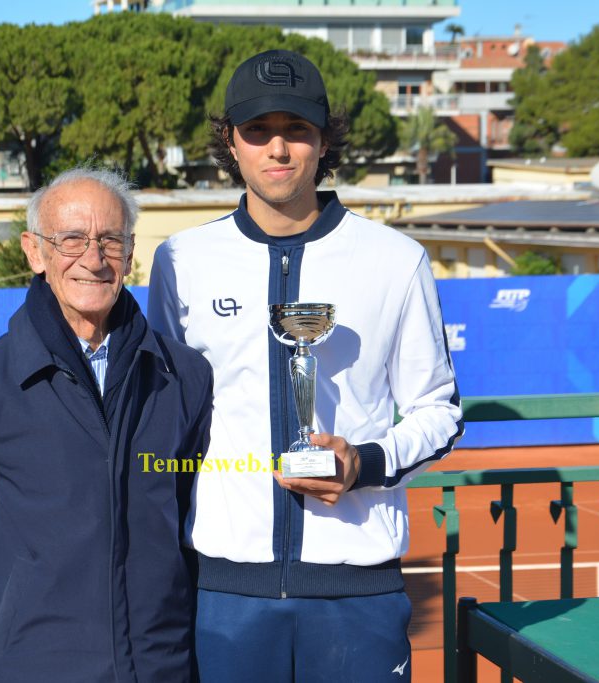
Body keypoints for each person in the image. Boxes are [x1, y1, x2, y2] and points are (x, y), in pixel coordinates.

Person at [148, 49, 464, 681]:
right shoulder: (181, 259)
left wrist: (363, 462)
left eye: (297, 130)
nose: (278, 149)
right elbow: (163, 411)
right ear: (231, 145)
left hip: (358, 593)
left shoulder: (395, 259)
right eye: (258, 131)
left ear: (324, 144)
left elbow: (440, 412)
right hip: (225, 594)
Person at [0, 167, 213, 682]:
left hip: (157, 665)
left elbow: (190, 518)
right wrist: (5, 625)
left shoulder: (182, 376)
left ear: (130, 252)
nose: (92, 259)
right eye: (71, 239)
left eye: (109, 241)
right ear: (35, 251)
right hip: (27, 667)